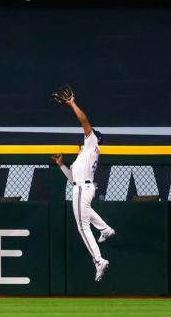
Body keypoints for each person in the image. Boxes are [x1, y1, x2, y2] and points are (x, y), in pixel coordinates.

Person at [51, 94, 115, 282]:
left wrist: (72, 104)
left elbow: (84, 120)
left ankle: (98, 260)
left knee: (82, 226)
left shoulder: (91, 143)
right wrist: (61, 165)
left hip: (83, 189)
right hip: (82, 187)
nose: (86, 133)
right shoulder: (85, 155)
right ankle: (105, 230)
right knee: (85, 213)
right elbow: (73, 180)